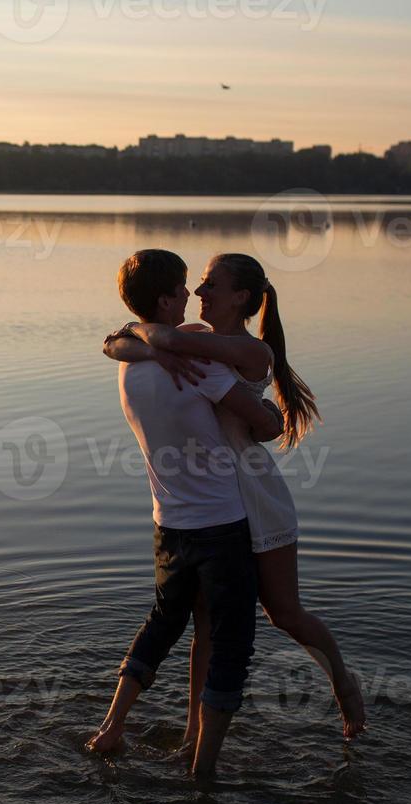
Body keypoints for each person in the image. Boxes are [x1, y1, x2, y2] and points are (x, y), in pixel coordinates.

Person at [102, 253, 366, 742]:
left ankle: (344, 684)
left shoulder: (253, 352)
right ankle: (191, 737)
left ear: (241, 297)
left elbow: (155, 338)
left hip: (256, 495)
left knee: (283, 612)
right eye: (196, 284)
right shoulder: (202, 345)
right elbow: (118, 342)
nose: (199, 293)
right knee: (204, 625)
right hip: (216, 500)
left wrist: (144, 339)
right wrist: (136, 341)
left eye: (209, 285)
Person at [87, 249, 283, 778]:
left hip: (167, 523)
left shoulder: (129, 364)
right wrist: (272, 412)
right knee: (231, 642)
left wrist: (149, 338)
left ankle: (111, 728)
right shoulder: (201, 367)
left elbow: (119, 337)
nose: (192, 296)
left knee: (163, 622)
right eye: (184, 288)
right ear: (167, 297)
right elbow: (265, 427)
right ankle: (202, 772)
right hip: (221, 523)